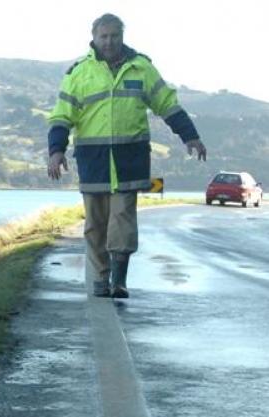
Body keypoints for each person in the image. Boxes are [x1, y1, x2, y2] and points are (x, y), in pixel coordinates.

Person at [47, 13, 207, 298]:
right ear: (94, 38)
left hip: (129, 160)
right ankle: (100, 277)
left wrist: (190, 136)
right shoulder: (78, 73)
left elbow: (167, 104)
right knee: (96, 224)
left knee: (122, 219)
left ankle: (118, 280)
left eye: (114, 36)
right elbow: (61, 116)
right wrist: (56, 151)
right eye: (103, 36)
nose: (109, 42)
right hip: (92, 161)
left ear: (122, 37)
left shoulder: (141, 68)